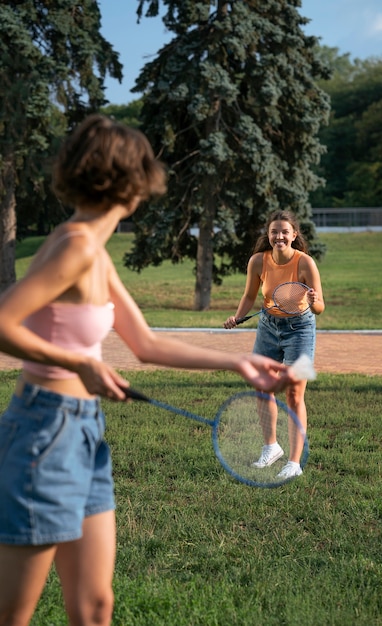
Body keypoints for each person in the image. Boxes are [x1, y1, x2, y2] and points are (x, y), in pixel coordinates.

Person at [0, 115, 300, 626]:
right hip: (44, 429)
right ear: (129, 183)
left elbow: (145, 343)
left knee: (96, 607)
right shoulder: (74, 245)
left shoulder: (92, 251)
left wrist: (239, 361)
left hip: (84, 431)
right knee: (13, 613)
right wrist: (77, 362)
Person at [224, 210, 325, 480]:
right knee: (262, 386)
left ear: (294, 235)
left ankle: (294, 462)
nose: (278, 236)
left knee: (294, 394)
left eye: (284, 231)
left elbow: (320, 308)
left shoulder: (305, 263)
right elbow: (249, 295)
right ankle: (272, 447)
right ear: (268, 235)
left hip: (301, 328)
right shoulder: (258, 261)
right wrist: (237, 316)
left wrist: (314, 299)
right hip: (268, 327)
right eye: (273, 232)